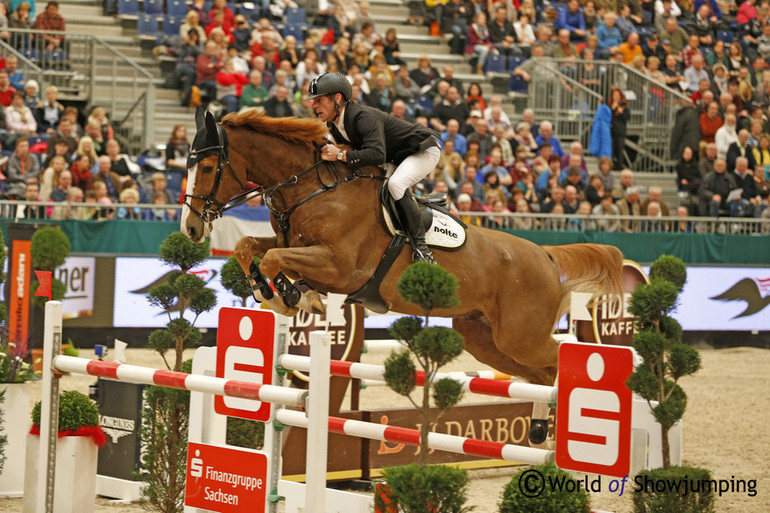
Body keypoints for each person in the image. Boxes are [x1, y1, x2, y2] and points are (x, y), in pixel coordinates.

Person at [309, 72, 441, 263]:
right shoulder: (335, 125)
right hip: (396, 157)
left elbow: (376, 154)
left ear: (337, 98)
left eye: (319, 100)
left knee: (396, 185)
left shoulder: (362, 117)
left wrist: (339, 154)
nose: (314, 105)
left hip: (421, 150)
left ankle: (422, 249)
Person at [610, 88, 630, 170]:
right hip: (611, 131)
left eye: (618, 95)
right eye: (615, 95)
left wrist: (621, 112)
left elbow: (627, 118)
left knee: (620, 150)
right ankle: (611, 165)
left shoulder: (624, 106)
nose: (616, 97)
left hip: (621, 132)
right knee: (612, 149)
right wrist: (612, 109)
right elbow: (608, 118)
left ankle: (619, 166)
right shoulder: (610, 105)